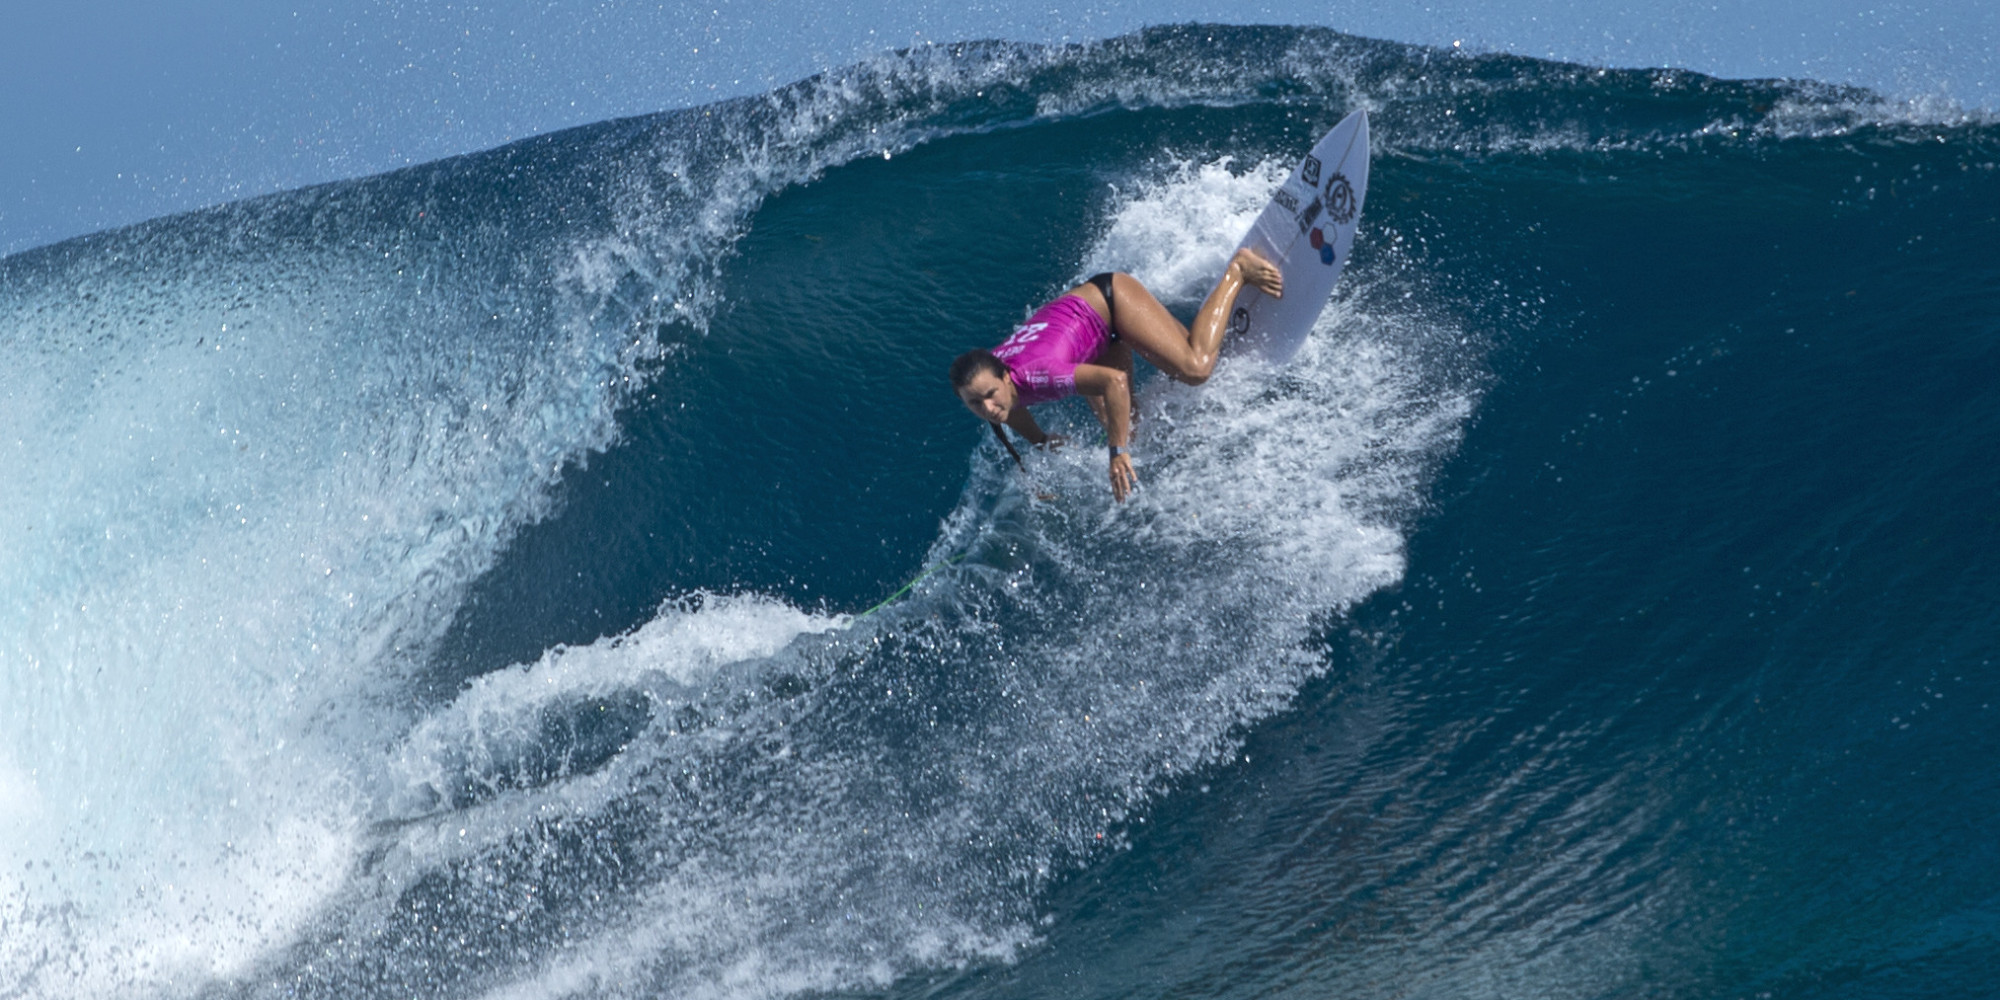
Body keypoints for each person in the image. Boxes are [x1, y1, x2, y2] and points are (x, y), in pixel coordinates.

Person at [949, 248, 1283, 501]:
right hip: (1086, 332)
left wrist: (1116, 451)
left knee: (1196, 368)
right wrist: (1042, 455)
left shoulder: (1039, 376)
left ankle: (1237, 270)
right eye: (975, 403)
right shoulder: (995, 392)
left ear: (1006, 378)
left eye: (990, 395)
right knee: (1127, 425)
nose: (988, 408)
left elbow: (1114, 381)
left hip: (1111, 302)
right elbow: (1022, 422)